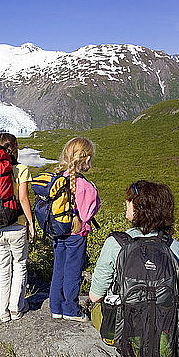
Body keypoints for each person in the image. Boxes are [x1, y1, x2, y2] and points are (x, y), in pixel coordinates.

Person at [89, 180, 179, 323]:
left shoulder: (116, 243)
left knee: (96, 310)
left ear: (138, 208)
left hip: (123, 324)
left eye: (130, 200)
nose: (127, 203)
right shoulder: (175, 247)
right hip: (162, 324)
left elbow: (95, 296)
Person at [49, 137, 100, 321]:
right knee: (73, 270)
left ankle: (55, 307)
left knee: (59, 269)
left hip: (59, 231)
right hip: (76, 234)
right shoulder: (84, 185)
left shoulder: (58, 179)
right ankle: (70, 309)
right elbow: (86, 215)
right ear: (85, 159)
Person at [0, 133, 36, 322]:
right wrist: (31, 223)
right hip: (17, 226)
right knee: (20, 265)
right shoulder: (22, 169)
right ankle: (16, 308)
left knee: (2, 269)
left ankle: (1, 312)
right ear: (15, 148)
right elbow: (23, 198)